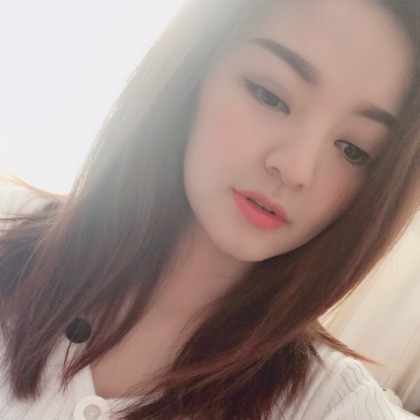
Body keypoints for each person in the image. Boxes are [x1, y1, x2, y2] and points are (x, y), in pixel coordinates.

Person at [0, 0, 419, 418]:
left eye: (354, 150)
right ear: (196, 67)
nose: (296, 169)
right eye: (270, 95)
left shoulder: (334, 405)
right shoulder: (10, 232)